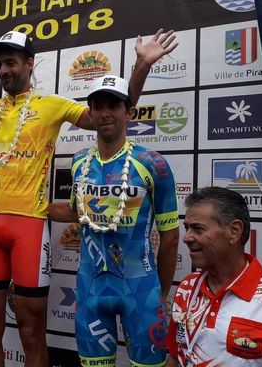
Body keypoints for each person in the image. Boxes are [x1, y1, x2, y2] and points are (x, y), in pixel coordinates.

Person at [0, 29, 177, 367]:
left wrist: (141, 68)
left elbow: (106, 117)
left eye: (11, 62)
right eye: (0, 64)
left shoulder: (52, 105)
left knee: (32, 329)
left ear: (29, 63)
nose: (4, 70)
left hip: (30, 228)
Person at [48, 74, 179, 366]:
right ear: (90, 114)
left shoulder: (153, 163)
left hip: (141, 290)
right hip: (89, 289)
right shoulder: (80, 160)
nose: (104, 112)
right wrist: (32, 209)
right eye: (97, 106)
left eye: (113, 105)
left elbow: (170, 237)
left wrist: (162, 293)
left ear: (129, 112)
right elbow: (77, 212)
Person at [166, 187, 262, 366]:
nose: (186, 237)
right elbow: (174, 357)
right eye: (186, 228)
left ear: (234, 231)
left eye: (198, 229)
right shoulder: (188, 286)